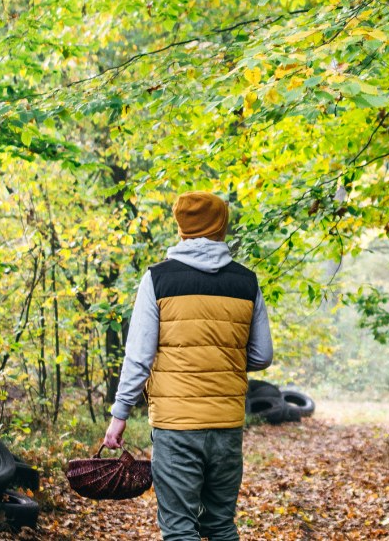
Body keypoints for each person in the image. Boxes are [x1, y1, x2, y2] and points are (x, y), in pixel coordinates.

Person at [104, 191, 272, 541]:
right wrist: (222, 359)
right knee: (221, 525)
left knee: (179, 529)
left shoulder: (158, 279)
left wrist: (119, 414)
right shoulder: (246, 282)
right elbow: (261, 356)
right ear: (221, 225)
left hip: (176, 426)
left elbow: (139, 356)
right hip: (226, 424)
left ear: (182, 227)